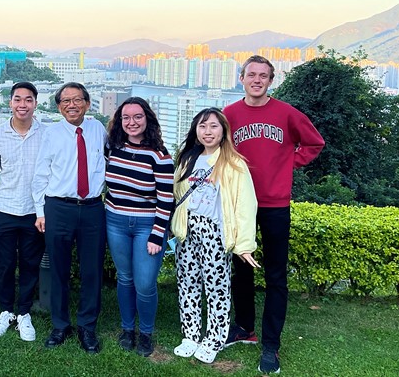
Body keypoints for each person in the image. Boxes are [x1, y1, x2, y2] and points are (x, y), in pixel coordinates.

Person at [223, 55, 324, 374]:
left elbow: (314, 143)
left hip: (276, 204)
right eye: (251, 74)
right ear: (241, 78)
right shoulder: (229, 115)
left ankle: (271, 345)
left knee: (275, 277)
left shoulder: (287, 113)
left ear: (271, 80)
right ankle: (244, 328)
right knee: (242, 268)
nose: (256, 80)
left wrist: (287, 165)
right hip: (242, 204)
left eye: (263, 76)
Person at [171, 108, 259, 364]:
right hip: (188, 229)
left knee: (217, 288)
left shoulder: (234, 164)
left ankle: (215, 338)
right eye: (202, 126)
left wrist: (244, 244)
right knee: (187, 284)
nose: (207, 132)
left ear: (223, 131)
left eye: (213, 126)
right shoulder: (188, 159)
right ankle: (190, 335)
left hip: (214, 231)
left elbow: (245, 204)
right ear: (195, 131)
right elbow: (177, 197)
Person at [32, 82, 107, 354]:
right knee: (59, 270)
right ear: (59, 106)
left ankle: (87, 326)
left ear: (87, 103)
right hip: (58, 208)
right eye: (66, 101)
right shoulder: (51, 134)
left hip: (92, 209)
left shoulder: (98, 129)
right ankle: (60, 325)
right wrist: (40, 212)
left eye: (77, 100)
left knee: (91, 271)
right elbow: (40, 174)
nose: (72, 105)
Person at [104, 97, 174, 357]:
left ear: (147, 119)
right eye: (126, 118)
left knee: (145, 283)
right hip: (115, 221)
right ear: (119, 121)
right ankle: (126, 329)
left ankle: (145, 333)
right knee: (125, 278)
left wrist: (158, 235)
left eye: (137, 117)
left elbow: (167, 199)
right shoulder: (112, 147)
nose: (131, 122)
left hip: (147, 225)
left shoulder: (160, 155)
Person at [0, 82, 46, 342]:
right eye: (18, 99)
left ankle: (24, 312)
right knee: (6, 264)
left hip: (35, 211)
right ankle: (6, 310)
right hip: (5, 209)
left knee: (31, 264)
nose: (23, 104)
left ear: (35, 103)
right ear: (10, 102)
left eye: (28, 100)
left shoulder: (46, 133)